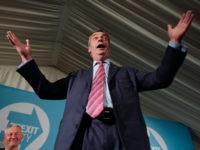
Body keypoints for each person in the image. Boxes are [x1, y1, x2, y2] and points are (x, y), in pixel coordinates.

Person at [6, 10, 194, 150]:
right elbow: (46, 90)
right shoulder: (76, 77)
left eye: (104, 38)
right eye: (95, 38)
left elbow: (160, 79)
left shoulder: (127, 74)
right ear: (90, 48)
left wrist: (174, 43)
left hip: (121, 133)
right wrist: (27, 60)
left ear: (108, 47)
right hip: (85, 132)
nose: (100, 39)